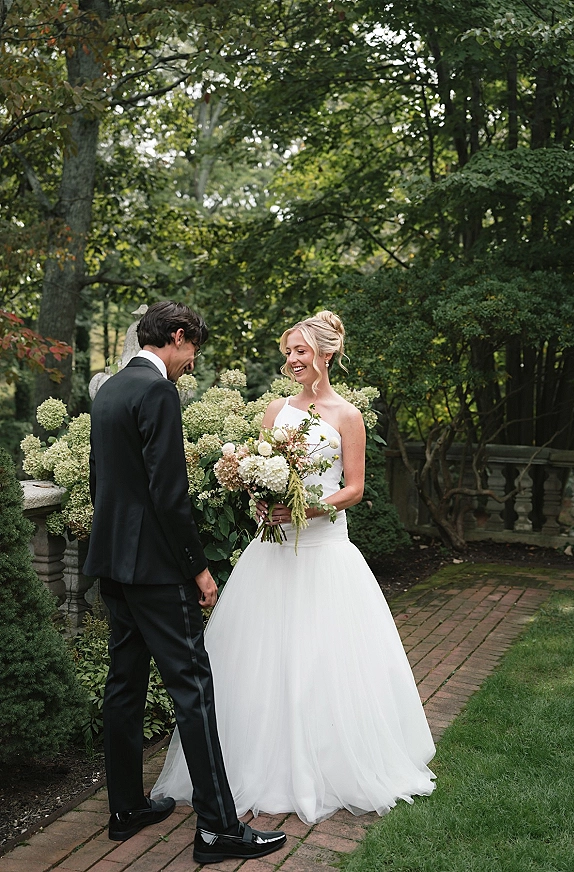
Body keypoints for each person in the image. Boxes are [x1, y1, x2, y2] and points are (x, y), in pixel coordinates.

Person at [151, 310, 436, 825]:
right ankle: (253, 764)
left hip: (325, 552)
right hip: (272, 552)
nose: (292, 359)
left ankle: (331, 763)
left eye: (300, 351)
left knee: (323, 659)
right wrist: (264, 503)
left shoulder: (348, 417)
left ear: (325, 354)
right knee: (261, 660)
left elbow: (353, 488)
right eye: (288, 351)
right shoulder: (274, 413)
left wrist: (310, 506)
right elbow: (262, 475)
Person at [83, 301, 286, 865]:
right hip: (156, 569)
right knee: (194, 690)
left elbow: (104, 486)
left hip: (114, 565)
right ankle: (219, 829)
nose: (192, 361)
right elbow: (169, 497)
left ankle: (125, 808)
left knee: (123, 685)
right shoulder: (157, 393)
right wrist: (198, 569)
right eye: (192, 348)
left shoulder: (110, 392)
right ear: (176, 337)